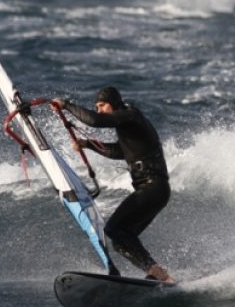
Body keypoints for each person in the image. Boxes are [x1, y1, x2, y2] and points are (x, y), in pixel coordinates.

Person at [52, 87, 175, 283]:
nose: (99, 110)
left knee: (114, 229)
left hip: (153, 187)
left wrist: (66, 105)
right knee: (121, 239)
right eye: (96, 107)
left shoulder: (130, 115)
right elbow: (120, 151)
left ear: (114, 103)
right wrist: (88, 144)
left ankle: (159, 274)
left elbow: (96, 121)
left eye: (102, 105)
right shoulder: (128, 124)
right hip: (154, 189)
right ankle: (158, 275)